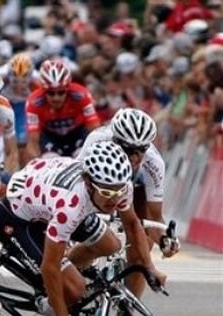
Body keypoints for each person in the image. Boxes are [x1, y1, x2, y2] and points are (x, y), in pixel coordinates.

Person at [0, 141, 166, 316]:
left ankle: (66, 275)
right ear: (88, 182)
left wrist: (150, 268)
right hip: (19, 216)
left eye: (118, 192)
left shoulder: (118, 186)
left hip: (48, 194)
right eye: (106, 193)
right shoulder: (70, 207)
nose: (114, 200)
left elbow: (132, 224)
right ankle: (49, 302)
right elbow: (49, 267)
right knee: (76, 290)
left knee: (110, 245)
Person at [75, 108, 180, 296]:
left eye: (141, 150)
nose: (135, 157)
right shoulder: (97, 141)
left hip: (136, 191)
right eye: (128, 149)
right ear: (114, 140)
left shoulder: (154, 164)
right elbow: (77, 188)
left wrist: (165, 240)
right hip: (99, 188)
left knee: (140, 254)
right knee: (93, 240)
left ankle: (129, 309)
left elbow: (154, 218)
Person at [25, 58, 101, 160]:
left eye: (61, 92)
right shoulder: (34, 102)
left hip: (77, 133)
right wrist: (36, 161)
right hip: (50, 137)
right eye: (50, 93)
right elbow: (33, 140)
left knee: (84, 158)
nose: (56, 98)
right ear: (43, 90)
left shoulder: (82, 94)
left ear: (68, 88)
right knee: (50, 161)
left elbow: (95, 128)